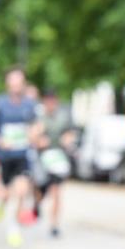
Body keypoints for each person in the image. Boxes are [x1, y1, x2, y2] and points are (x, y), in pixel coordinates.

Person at [0, 67, 42, 248]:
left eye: (19, 80)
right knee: (6, 193)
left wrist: (34, 134)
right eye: (13, 80)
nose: (16, 84)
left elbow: (38, 124)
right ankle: (2, 203)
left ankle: (14, 227)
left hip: (22, 155)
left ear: (23, 83)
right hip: (5, 156)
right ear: (7, 83)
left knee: (22, 190)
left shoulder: (30, 104)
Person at [34, 90, 75, 238]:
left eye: (53, 100)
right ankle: (37, 203)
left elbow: (71, 133)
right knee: (40, 190)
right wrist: (38, 140)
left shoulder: (64, 116)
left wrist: (67, 139)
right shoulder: (38, 116)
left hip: (58, 159)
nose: (50, 103)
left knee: (56, 192)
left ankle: (54, 225)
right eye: (48, 100)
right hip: (42, 159)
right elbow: (31, 136)